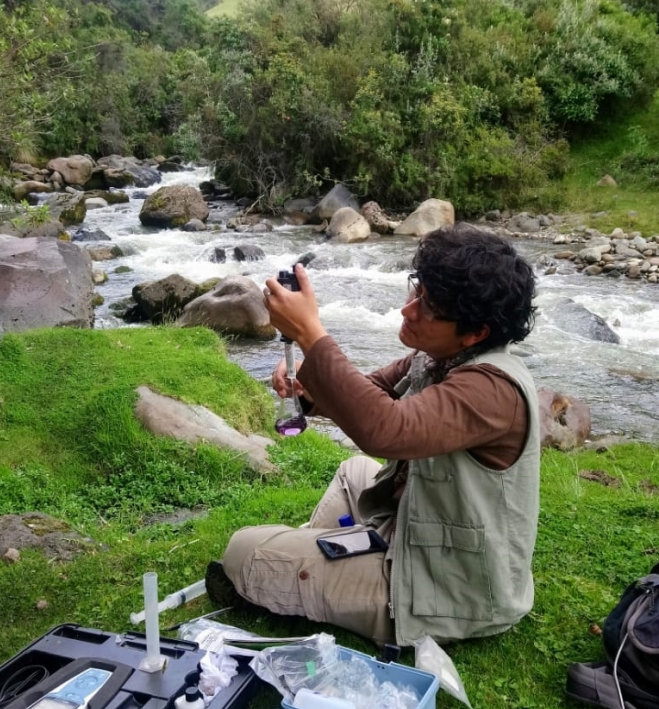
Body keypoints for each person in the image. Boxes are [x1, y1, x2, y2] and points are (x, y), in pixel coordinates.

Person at [207, 224, 540, 646]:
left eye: (430, 309)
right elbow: (372, 392)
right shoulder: (441, 357)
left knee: (242, 551)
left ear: (476, 333)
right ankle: (318, 557)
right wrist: (308, 393)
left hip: (448, 589)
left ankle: (302, 564)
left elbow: (386, 429)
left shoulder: (490, 390)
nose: (409, 311)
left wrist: (311, 333)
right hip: (422, 528)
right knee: (354, 471)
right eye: (416, 292)